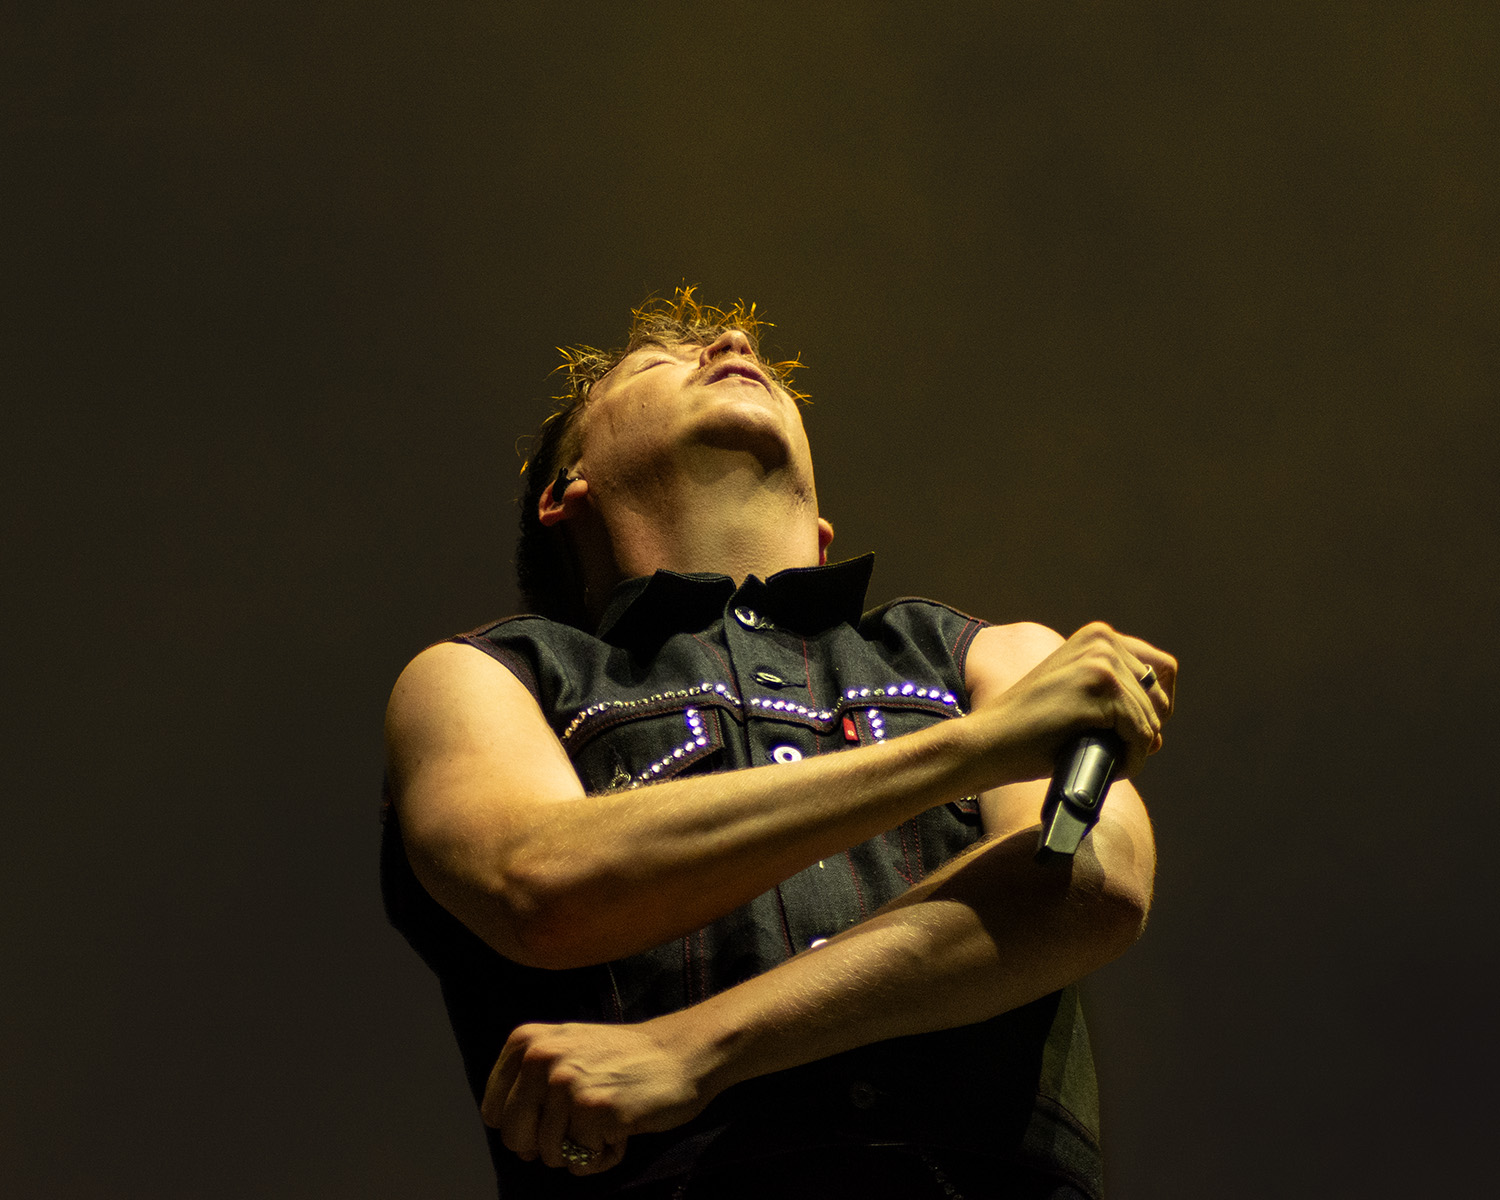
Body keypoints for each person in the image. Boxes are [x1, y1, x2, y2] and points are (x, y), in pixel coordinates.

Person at [381, 288, 1176, 1199]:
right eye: (656, 363)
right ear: (567, 490)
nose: (730, 339)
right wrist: (982, 746)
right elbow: (538, 883)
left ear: (821, 529)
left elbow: (1096, 883)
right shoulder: (487, 676)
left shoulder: (988, 652)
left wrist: (693, 1050)